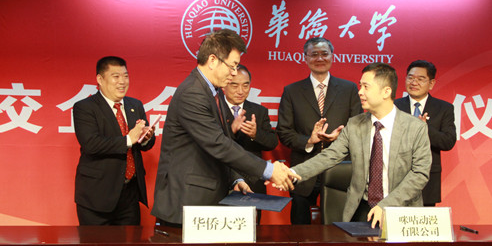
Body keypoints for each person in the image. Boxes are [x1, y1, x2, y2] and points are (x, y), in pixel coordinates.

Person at [152, 29, 297, 227]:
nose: (234, 72)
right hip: (186, 201)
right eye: (232, 65)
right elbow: (218, 144)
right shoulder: (192, 93)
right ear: (213, 60)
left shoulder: (214, 92)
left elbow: (222, 143)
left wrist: (235, 179)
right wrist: (269, 170)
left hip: (206, 199)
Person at [287, 63, 432, 228]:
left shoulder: (415, 128)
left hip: (401, 209)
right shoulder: (355, 124)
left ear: (386, 92)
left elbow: (419, 174)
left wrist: (386, 205)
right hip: (362, 209)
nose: (360, 92)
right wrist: (292, 173)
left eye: (366, 87)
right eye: (360, 86)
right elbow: (329, 156)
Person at [277, 37, 362, 224]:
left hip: (340, 168)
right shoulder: (292, 91)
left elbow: (358, 128)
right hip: (304, 167)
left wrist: (340, 138)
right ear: (305, 58)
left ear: (332, 56)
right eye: (314, 54)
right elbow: (284, 132)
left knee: (339, 225)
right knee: (300, 226)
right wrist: (309, 141)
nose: (320, 58)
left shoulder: (349, 89)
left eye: (324, 54)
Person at [73, 56, 156, 225]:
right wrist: (129, 139)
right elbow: (91, 144)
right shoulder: (85, 107)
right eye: (116, 76)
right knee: (96, 242)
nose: (122, 82)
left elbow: (144, 144)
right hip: (97, 196)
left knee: (131, 242)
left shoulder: (135, 105)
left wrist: (145, 138)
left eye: (125, 76)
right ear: (100, 79)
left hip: (129, 195)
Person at [222, 64, 279, 223]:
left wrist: (255, 134)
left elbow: (272, 142)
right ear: (224, 85)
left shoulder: (259, 111)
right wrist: (231, 131)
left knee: (252, 230)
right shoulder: (213, 109)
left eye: (245, 85)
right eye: (235, 85)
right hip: (221, 179)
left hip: (252, 182)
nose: (241, 91)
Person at [394, 60, 456, 206]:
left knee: (424, 217)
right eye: (410, 78)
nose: (414, 82)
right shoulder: (394, 106)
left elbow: (448, 142)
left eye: (421, 79)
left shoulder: (444, 108)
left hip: (428, 179)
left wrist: (424, 128)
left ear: (431, 83)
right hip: (396, 177)